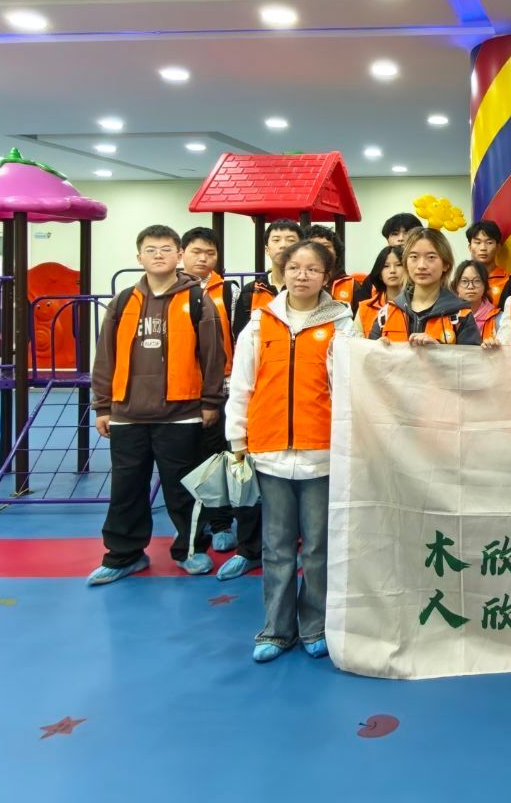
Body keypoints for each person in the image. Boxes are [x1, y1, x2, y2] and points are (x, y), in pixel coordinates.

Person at [226, 238, 356, 663]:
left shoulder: (343, 324)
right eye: (295, 268)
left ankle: (315, 625)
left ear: (326, 276)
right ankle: (276, 629)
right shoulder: (259, 322)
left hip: (323, 452)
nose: (302, 275)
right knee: (277, 546)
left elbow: (354, 386)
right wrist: (237, 438)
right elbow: (242, 384)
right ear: (282, 272)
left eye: (312, 269)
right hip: (270, 451)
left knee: (318, 547)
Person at [87, 225, 227, 585]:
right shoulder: (122, 302)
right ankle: (124, 555)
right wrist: (103, 406)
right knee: (126, 489)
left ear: (179, 255)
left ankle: (190, 550)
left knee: (182, 489)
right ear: (139, 257)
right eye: (150, 249)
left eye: (166, 248)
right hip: (127, 414)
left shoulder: (198, 300)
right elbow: (105, 356)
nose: (158, 255)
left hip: (181, 414)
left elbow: (214, 356)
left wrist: (210, 402)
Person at [179, 226, 262, 579]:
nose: (203, 258)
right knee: (196, 461)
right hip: (182, 389)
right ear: (182, 253)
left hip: (223, 384)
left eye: (210, 253)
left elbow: (235, 337)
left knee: (230, 459)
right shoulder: (173, 292)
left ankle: (227, 524)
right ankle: (207, 525)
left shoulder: (228, 291)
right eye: (196, 251)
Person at [371, 228, 481, 345]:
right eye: (414, 257)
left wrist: (438, 351)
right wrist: (379, 350)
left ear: (446, 264)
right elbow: (368, 355)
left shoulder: (461, 315)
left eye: (431, 257)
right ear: (406, 263)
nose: (421, 266)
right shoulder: (387, 313)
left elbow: (470, 356)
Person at [232, 219, 302, 338]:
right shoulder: (251, 291)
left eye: (290, 240)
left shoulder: (309, 287)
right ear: (267, 250)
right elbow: (241, 336)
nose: (283, 245)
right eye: (276, 240)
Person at [348, 213, 424, 303]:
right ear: (387, 240)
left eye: (408, 233)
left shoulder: (427, 272)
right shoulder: (374, 279)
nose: (401, 238)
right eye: (395, 234)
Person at [355, 244, 404, 337]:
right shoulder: (365, 308)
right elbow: (355, 343)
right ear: (380, 274)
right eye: (386, 266)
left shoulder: (417, 306)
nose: (392, 270)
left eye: (398, 265)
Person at [452, 259, 500, 342]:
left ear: (485, 285)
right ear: (457, 286)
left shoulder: (497, 318)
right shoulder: (448, 316)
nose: (470, 286)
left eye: (477, 281)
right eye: (464, 281)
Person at [465, 220, 508, 303]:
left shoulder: (510, 281)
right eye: (477, 242)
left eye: (489, 242)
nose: (483, 248)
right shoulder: (460, 281)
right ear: (470, 247)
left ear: (498, 247)